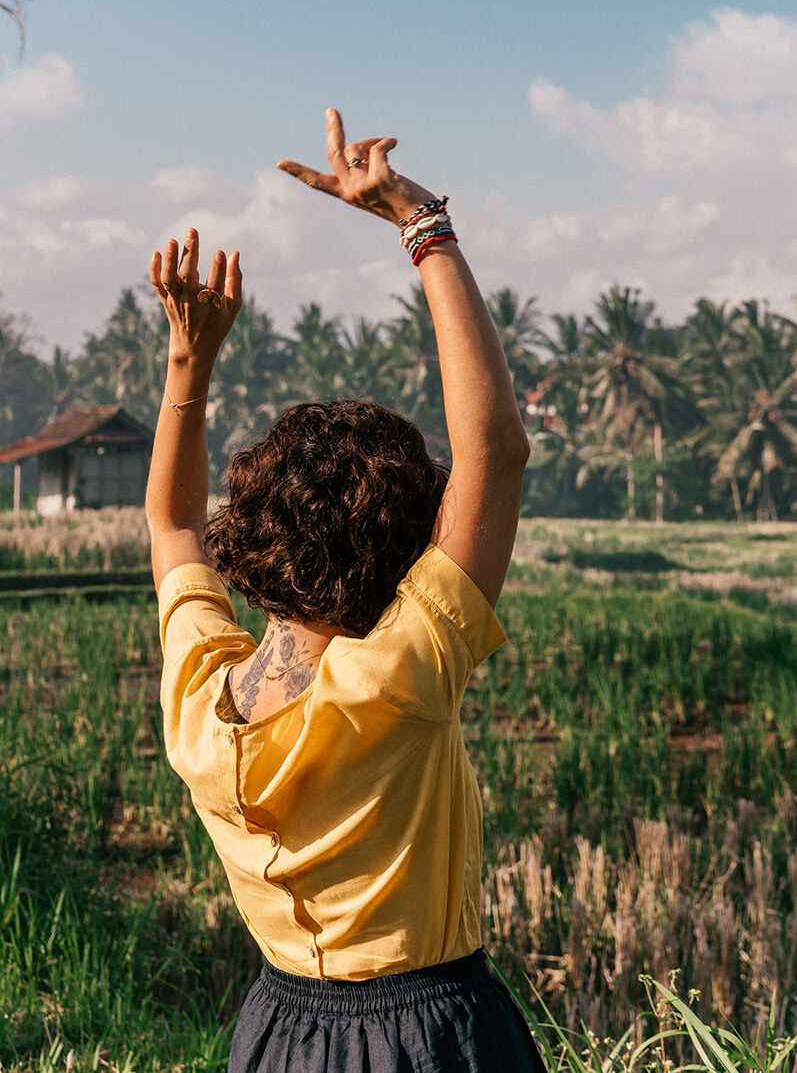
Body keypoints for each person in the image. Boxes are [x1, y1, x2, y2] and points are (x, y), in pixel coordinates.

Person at [146, 109, 545, 1072]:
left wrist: (188, 360)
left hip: (277, 1033)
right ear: (405, 546)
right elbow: (493, 449)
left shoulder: (202, 703)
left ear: (254, 536)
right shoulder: (400, 677)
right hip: (434, 1037)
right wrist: (418, 220)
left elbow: (169, 525)